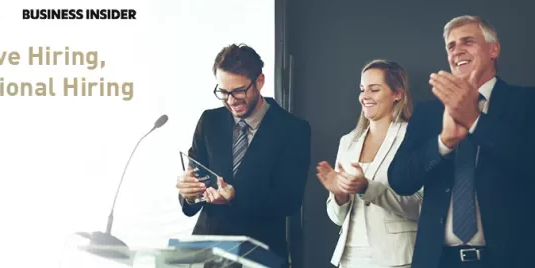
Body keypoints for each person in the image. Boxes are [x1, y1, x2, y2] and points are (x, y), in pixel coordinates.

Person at [388, 15, 535, 268]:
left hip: (509, 259)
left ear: (493, 49)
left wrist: (475, 120)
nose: (458, 51)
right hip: (438, 261)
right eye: (451, 46)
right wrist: (443, 142)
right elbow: (400, 180)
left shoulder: (526, 102)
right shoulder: (427, 113)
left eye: (468, 41)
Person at [175, 43, 311, 264]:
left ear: (259, 81)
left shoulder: (293, 129)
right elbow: (192, 198)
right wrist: (190, 194)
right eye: (223, 92)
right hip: (209, 255)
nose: (230, 100)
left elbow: (290, 202)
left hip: (261, 255)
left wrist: (235, 196)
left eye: (238, 91)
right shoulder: (209, 121)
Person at [317, 59, 422, 268]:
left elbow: (420, 206)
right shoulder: (348, 142)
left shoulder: (413, 137)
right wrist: (340, 194)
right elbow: (337, 218)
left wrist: (367, 188)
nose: (365, 96)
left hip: (396, 260)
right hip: (350, 259)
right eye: (362, 89)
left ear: (397, 94)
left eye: (374, 89)